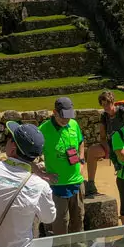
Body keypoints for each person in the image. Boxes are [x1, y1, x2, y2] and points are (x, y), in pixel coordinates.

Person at [37, 96, 85, 238]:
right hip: (57, 185)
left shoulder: (74, 125)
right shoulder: (43, 130)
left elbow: (81, 142)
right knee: (60, 224)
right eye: (63, 117)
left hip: (77, 182)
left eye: (69, 117)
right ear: (54, 112)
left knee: (79, 220)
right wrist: (41, 174)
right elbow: (27, 156)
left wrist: (82, 161)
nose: (66, 120)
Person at [85, 91, 121, 196]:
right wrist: (108, 150)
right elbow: (103, 137)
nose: (105, 107)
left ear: (112, 102)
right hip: (112, 146)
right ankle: (91, 185)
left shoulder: (123, 111)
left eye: (107, 104)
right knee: (92, 151)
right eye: (103, 104)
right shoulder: (104, 116)